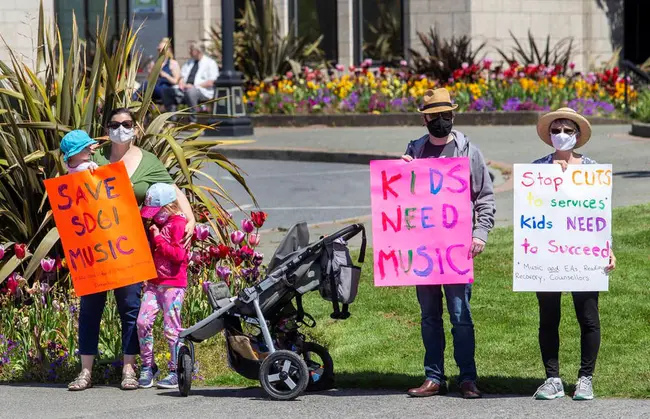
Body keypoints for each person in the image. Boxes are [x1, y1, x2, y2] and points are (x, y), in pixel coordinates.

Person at [67, 108, 196, 391]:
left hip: (129, 246)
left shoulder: (148, 161)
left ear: (136, 128)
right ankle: (85, 371)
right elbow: (71, 180)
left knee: (130, 307)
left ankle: (129, 368)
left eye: (126, 124)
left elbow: (173, 189)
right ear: (106, 127)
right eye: (114, 124)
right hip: (96, 246)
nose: (120, 129)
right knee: (90, 309)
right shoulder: (94, 157)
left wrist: (191, 219)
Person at [402, 88, 496, 399]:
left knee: (461, 316)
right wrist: (400, 173)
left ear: (453, 116)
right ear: (424, 118)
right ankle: (434, 377)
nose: (441, 121)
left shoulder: (469, 152)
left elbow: (485, 196)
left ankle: (467, 378)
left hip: (456, 250)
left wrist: (480, 233)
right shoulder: (414, 151)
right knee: (429, 316)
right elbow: (401, 202)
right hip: (425, 250)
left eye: (446, 115)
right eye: (434, 116)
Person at [530, 108, 616, 401]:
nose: (562, 135)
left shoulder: (592, 169)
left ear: (578, 136)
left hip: (584, 254)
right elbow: (528, 217)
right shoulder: (536, 170)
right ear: (549, 135)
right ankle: (552, 378)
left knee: (588, 316)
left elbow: (600, 215)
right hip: (547, 255)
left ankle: (585, 378)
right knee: (548, 317)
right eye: (557, 130)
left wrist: (608, 248)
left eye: (568, 130)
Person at [137, 183, 189, 389]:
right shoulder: (157, 225)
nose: (153, 216)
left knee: (171, 328)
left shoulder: (178, 225)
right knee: (142, 322)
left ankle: (176, 370)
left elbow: (179, 255)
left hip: (173, 284)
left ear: (168, 207)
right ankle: (148, 366)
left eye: (156, 212)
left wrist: (158, 238)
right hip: (153, 283)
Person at [162, 41, 219, 121]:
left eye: (191, 49)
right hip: (184, 89)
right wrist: (181, 82)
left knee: (191, 92)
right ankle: (172, 120)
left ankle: (193, 121)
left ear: (198, 51)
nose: (189, 51)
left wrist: (194, 86)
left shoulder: (210, 63)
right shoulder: (189, 62)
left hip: (201, 90)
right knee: (167, 91)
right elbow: (182, 76)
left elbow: (211, 81)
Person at [134, 38, 181, 102]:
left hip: (166, 89)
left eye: (161, 50)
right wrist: (150, 72)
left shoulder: (173, 63)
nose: (159, 52)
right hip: (155, 88)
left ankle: (131, 101)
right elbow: (150, 79)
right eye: (158, 50)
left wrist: (164, 75)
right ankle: (135, 105)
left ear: (168, 50)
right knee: (144, 88)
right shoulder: (156, 63)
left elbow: (176, 81)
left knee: (146, 85)